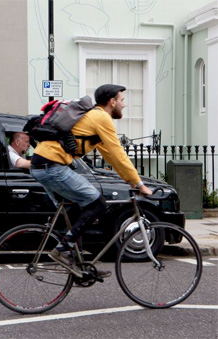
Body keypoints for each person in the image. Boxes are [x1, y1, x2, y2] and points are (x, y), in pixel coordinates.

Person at [30, 84, 152, 279]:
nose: (124, 105)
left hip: (41, 164)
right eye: (122, 100)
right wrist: (139, 184)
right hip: (52, 165)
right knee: (98, 203)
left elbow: (111, 156)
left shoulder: (93, 118)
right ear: (112, 102)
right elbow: (118, 152)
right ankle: (62, 250)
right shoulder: (101, 117)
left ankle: (79, 267)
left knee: (78, 209)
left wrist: (129, 179)